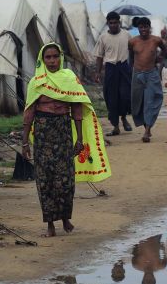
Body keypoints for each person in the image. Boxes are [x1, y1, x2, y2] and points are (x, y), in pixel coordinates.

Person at [22, 43, 111, 237]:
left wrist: (79, 138)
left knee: (65, 180)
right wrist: (24, 143)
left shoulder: (69, 78)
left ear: (60, 58)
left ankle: (65, 219)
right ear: (42, 60)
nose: (52, 61)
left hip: (63, 133)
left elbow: (77, 109)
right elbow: (29, 114)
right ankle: (50, 225)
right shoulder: (36, 82)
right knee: (45, 181)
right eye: (48, 57)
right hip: (43, 136)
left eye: (55, 56)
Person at [94, 11, 133, 136]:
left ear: (119, 22)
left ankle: (124, 118)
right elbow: (99, 56)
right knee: (111, 98)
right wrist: (98, 72)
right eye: (111, 23)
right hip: (110, 69)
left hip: (123, 67)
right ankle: (115, 126)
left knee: (125, 95)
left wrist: (133, 66)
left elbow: (133, 51)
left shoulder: (127, 35)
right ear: (107, 23)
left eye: (115, 22)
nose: (113, 25)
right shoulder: (103, 37)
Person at [129, 17, 165, 143]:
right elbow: (130, 58)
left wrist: (160, 68)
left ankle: (147, 130)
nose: (143, 29)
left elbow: (165, 53)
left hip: (151, 74)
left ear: (150, 27)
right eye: (141, 27)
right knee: (137, 103)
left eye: (146, 27)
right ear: (138, 28)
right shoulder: (133, 42)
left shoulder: (156, 40)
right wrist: (131, 72)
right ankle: (147, 127)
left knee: (151, 100)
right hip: (137, 74)